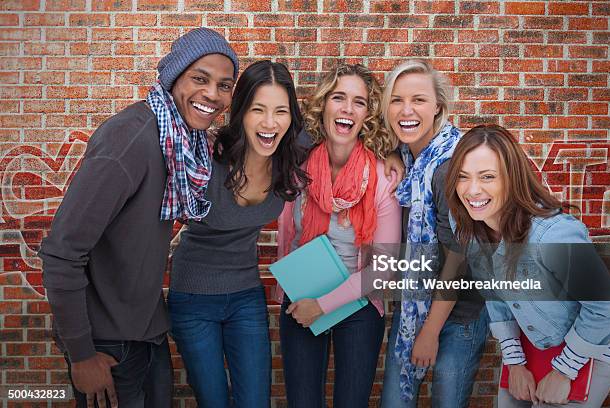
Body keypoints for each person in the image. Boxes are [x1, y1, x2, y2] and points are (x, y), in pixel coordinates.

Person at [39, 28, 239, 408]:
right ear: (173, 77)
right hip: (105, 345)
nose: (212, 94)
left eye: (224, 85)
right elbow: (62, 252)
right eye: (200, 78)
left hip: (145, 333)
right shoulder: (131, 140)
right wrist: (82, 354)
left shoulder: (183, 142)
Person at [167, 60, 308, 408]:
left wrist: (392, 158)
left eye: (281, 111)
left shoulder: (290, 153)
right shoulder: (206, 154)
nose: (269, 122)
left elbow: (345, 136)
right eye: (258, 109)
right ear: (241, 111)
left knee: (256, 401)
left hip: (246, 295)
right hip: (193, 297)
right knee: (214, 400)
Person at [444, 124, 610, 407]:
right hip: (532, 345)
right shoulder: (468, 223)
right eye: (463, 177)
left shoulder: (553, 234)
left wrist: (564, 371)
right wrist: (515, 363)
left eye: (487, 177)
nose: (472, 190)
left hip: (591, 347)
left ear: (512, 179)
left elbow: (605, 306)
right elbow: (494, 294)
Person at [273, 63, 401, 408]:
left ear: (367, 115)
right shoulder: (297, 169)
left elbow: (384, 268)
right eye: (338, 97)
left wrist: (324, 305)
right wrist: (293, 294)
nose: (347, 108)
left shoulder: (382, 177)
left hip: (359, 304)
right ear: (324, 105)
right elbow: (289, 238)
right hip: (302, 297)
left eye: (358, 102)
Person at [380, 59, 488, 407]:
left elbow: (459, 257)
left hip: (460, 313)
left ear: (438, 106)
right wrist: (389, 153)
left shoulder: (448, 167)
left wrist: (428, 333)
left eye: (419, 100)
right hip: (414, 305)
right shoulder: (409, 159)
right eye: (396, 100)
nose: (406, 110)